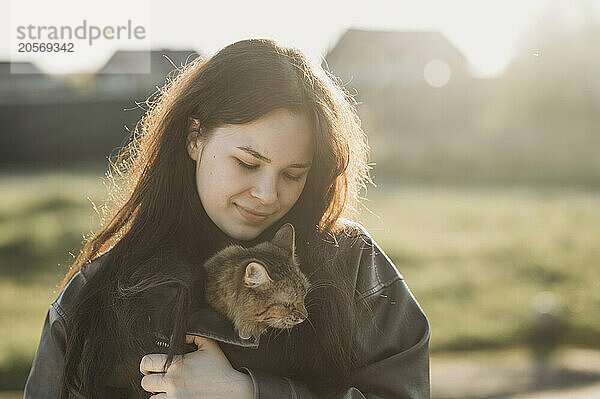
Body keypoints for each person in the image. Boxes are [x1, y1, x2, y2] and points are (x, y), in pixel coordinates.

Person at [23, 38, 430, 398]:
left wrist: (250, 393)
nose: (268, 195)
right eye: (247, 163)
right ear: (195, 137)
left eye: (293, 174)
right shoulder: (100, 290)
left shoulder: (354, 267)